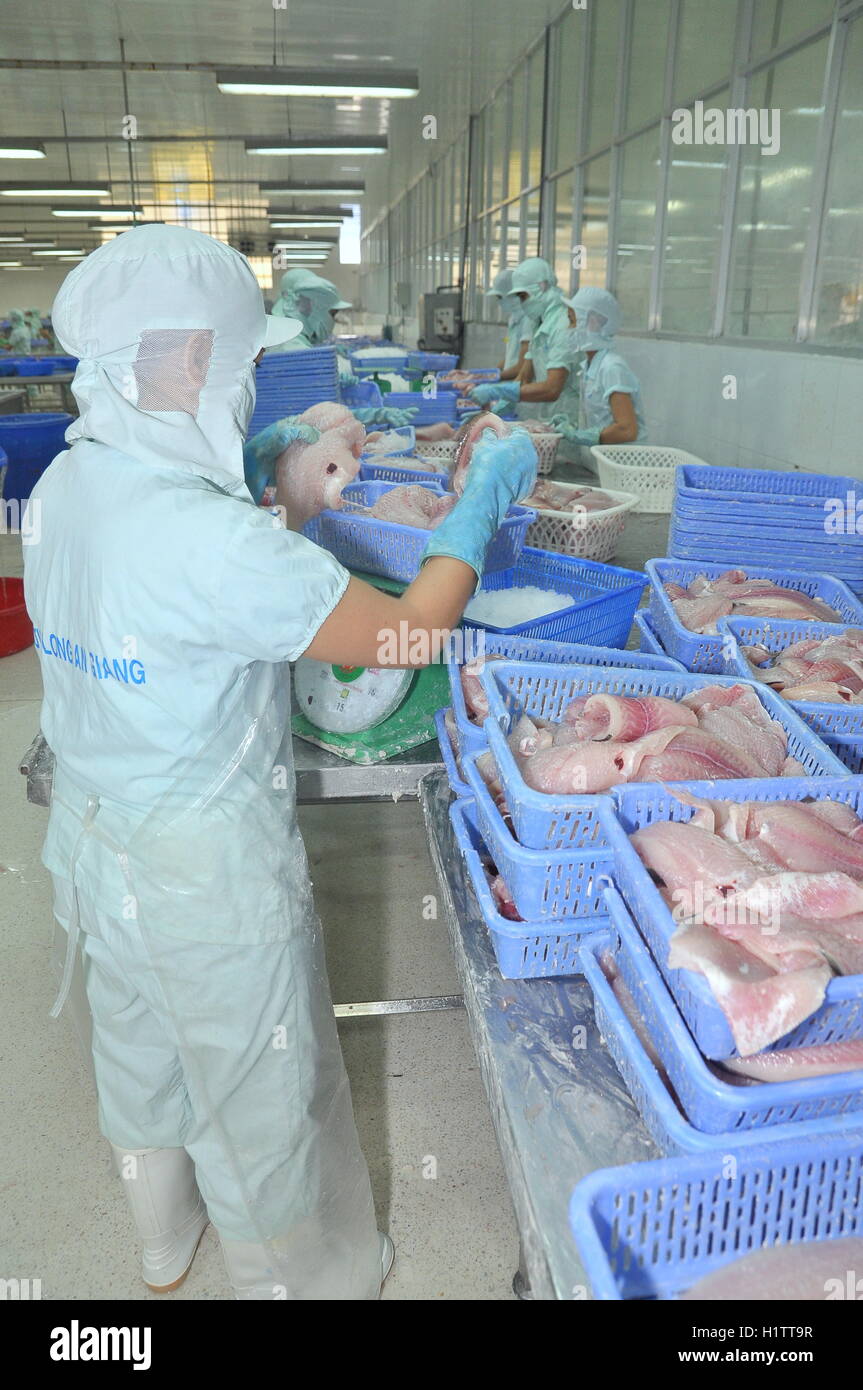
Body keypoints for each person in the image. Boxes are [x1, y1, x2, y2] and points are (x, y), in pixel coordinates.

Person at [23, 224, 536, 1301]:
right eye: (244, 364)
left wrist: (273, 484)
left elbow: (169, 589)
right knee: (256, 1090)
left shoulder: (74, 486)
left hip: (93, 838)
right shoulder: (215, 548)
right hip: (202, 875)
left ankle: (163, 1251)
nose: (250, 385)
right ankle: (302, 1282)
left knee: (143, 1054)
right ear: (193, 361)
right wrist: (478, 504)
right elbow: (403, 635)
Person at [268, 266, 416, 432]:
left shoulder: (287, 339)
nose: (333, 321)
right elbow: (317, 415)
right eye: (331, 314)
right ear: (307, 307)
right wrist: (375, 415)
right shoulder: (292, 349)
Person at [468, 257, 581, 430]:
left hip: (569, 421)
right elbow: (524, 375)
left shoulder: (562, 324)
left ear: (542, 287)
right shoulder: (539, 323)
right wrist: (498, 408)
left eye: (523, 296)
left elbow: (552, 388)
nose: (522, 303)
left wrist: (497, 391)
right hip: (548, 419)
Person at [554, 287, 646, 447]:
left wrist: (582, 436)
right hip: (602, 460)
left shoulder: (612, 367)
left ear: (593, 322)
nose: (569, 328)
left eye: (573, 320)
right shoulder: (589, 366)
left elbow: (627, 430)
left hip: (621, 463)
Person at [486, 268, 530, 378]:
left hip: (520, 383)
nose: (498, 301)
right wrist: (491, 372)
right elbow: (511, 357)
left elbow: (523, 365)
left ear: (511, 294)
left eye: (500, 297)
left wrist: (494, 378)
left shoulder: (528, 319)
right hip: (510, 380)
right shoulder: (514, 318)